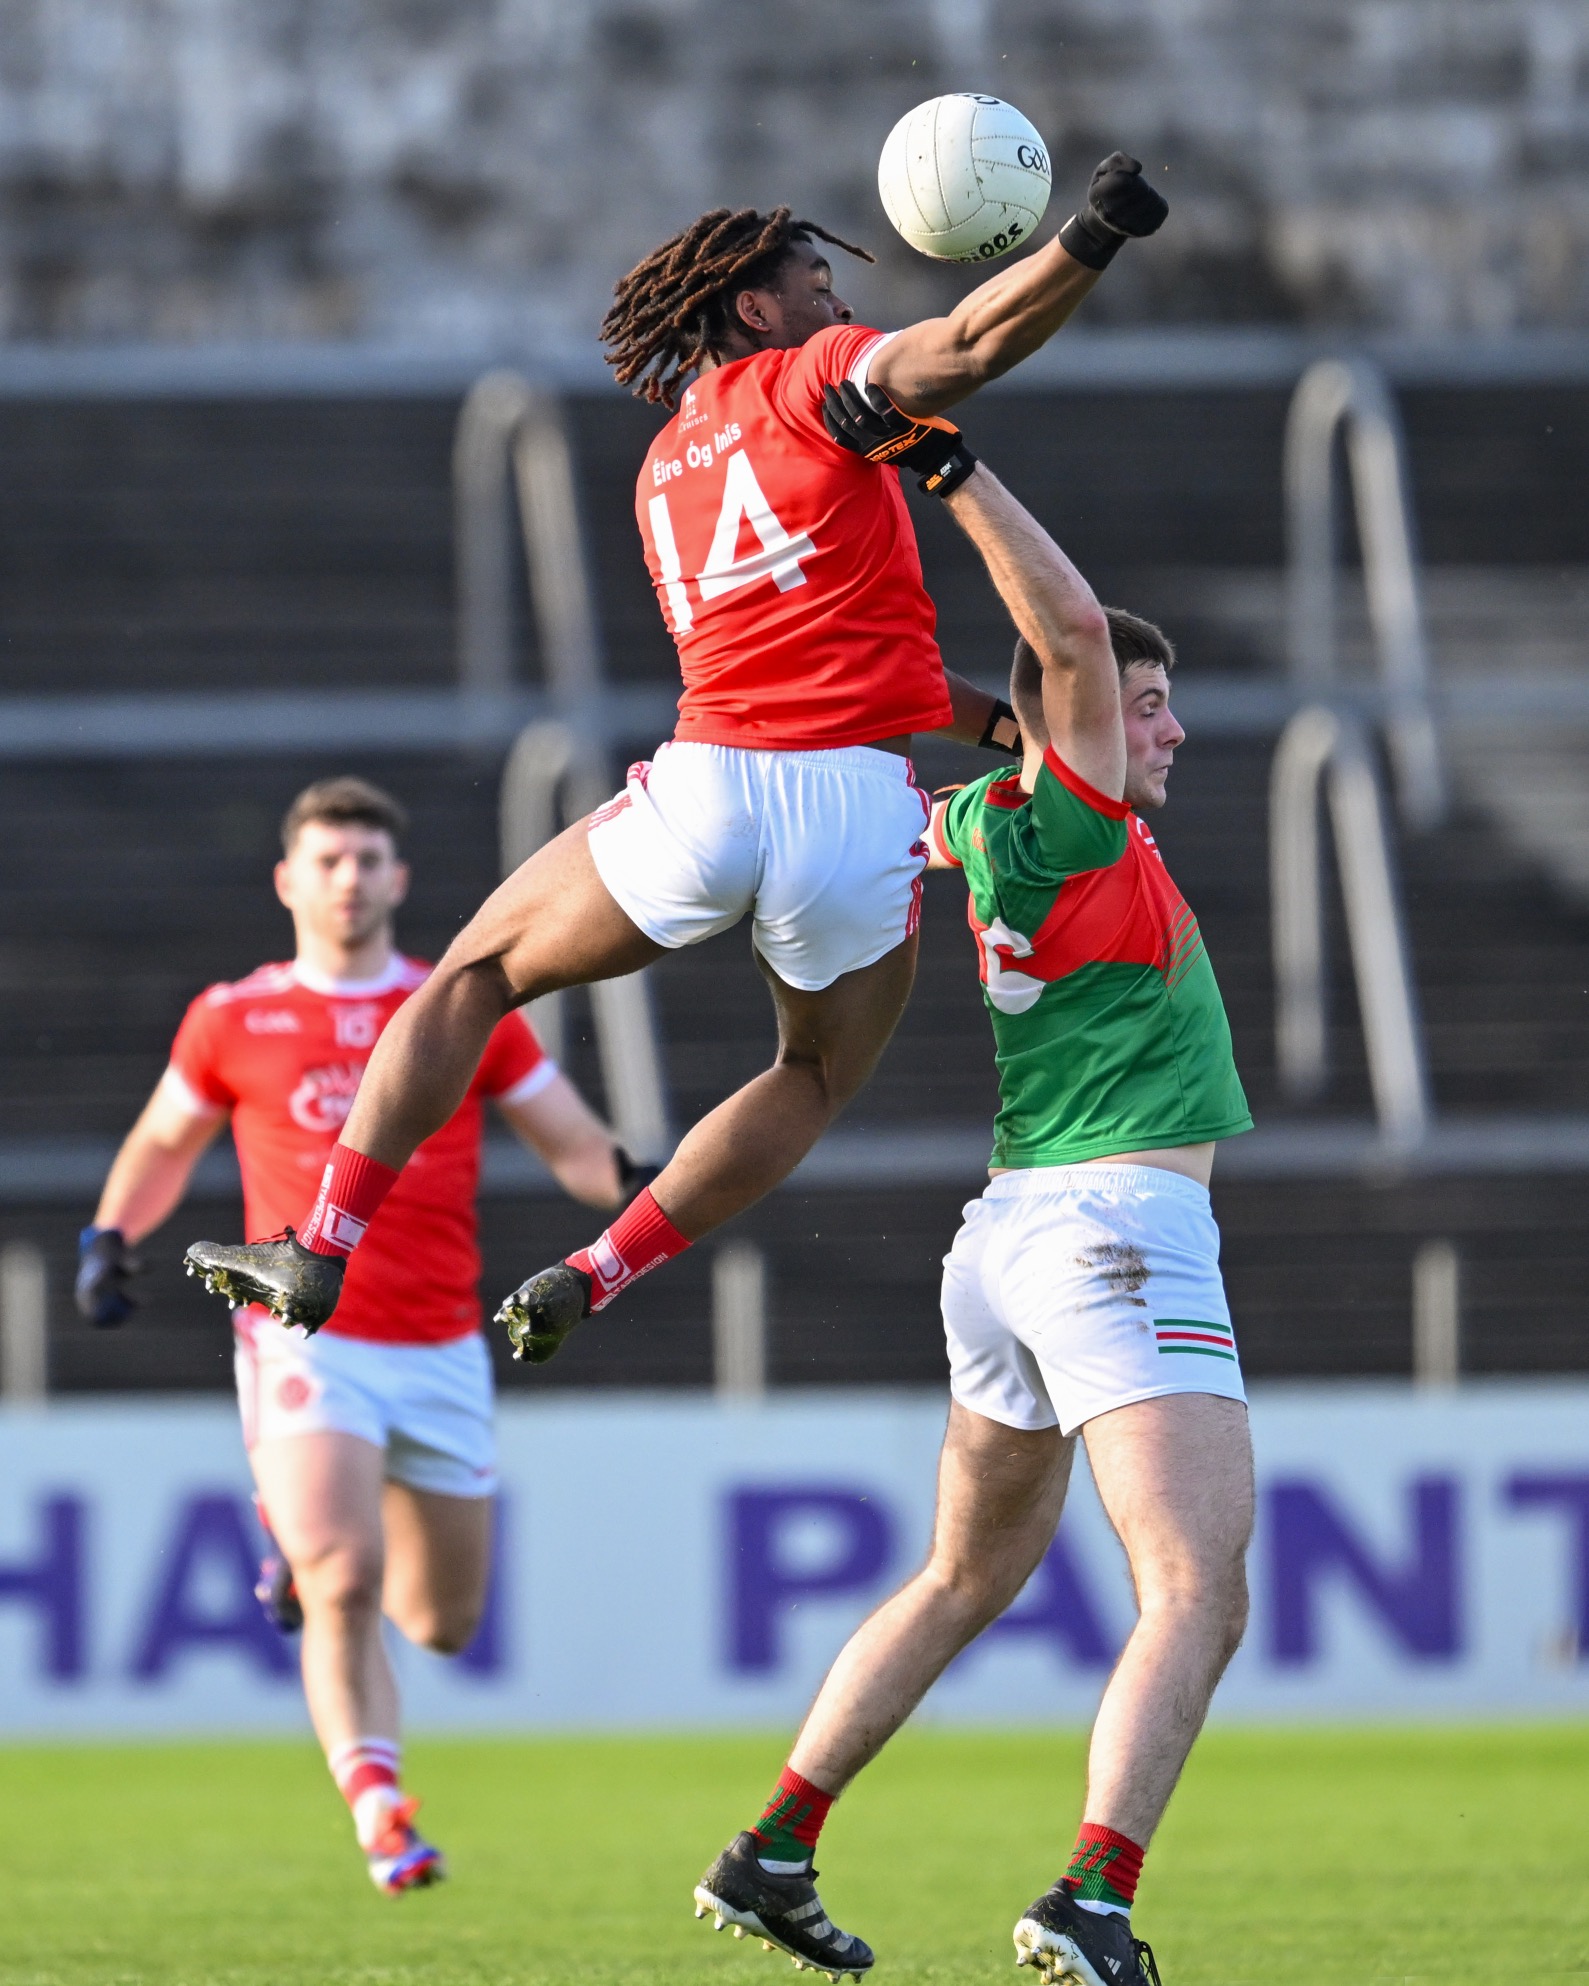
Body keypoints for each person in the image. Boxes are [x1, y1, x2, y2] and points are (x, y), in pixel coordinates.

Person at [181, 155, 1169, 1366]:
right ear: (754, 312)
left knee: (467, 981)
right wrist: (1092, 235)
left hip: (704, 790)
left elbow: (832, 659)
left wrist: (1009, 731)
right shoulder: (815, 375)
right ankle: (599, 1270)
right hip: (857, 812)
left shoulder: (662, 469)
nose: (840, 305)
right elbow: (964, 345)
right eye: (817, 282)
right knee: (807, 1077)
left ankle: (320, 1245)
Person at [691, 400, 1254, 1986]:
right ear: (1072, 723)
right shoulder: (1069, 811)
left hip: (1005, 1238)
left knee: (965, 1573)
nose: (1169, 734)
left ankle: (774, 1846)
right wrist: (946, 466)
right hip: (1115, 1231)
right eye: (1146, 708)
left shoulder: (975, 823)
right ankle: (1091, 1893)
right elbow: (1058, 628)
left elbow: (938, 760)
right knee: (1196, 1584)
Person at [78, 777, 632, 1895]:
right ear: (289, 881)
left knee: (438, 1621)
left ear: (399, 879)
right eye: (327, 861)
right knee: (339, 1574)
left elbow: (577, 1149)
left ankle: (306, 1527)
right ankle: (382, 1809)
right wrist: (109, 1234)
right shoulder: (234, 1016)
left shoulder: (458, 1006)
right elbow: (162, 1143)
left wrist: (653, 1191)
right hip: (305, 1336)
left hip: (438, 1347)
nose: (349, 879)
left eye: (367, 860)